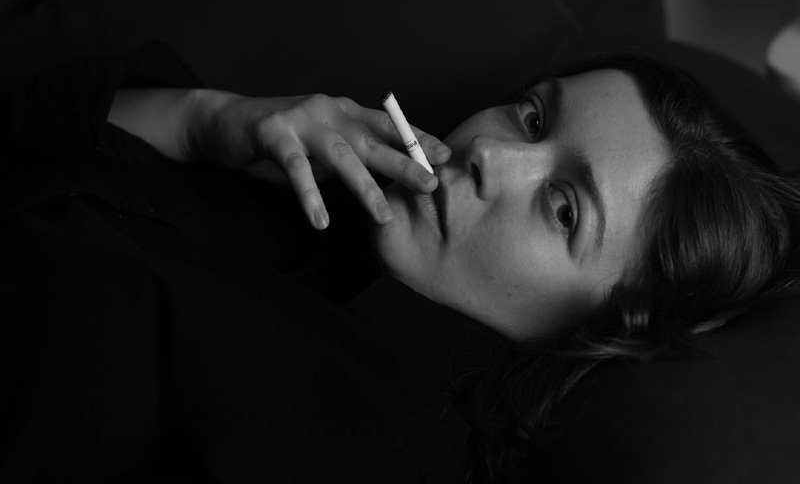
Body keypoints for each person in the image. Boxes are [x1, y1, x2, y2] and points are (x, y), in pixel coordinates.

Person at [3, 43, 799, 482]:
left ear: (607, 325)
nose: (491, 155)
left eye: (564, 209)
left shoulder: (368, 452)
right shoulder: (316, 213)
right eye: (531, 117)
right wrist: (206, 122)